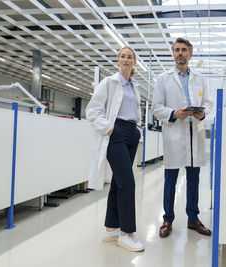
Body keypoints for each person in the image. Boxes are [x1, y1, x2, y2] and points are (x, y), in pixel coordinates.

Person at [152, 37, 214, 238]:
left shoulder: (200, 78)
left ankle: (193, 219)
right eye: (177, 50)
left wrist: (202, 113)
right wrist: (173, 113)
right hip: (175, 134)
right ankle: (168, 219)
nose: (180, 53)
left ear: (190, 54)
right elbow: (156, 107)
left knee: (193, 181)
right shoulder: (163, 78)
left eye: (184, 50)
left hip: (194, 133)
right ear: (173, 53)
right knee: (170, 180)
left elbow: (209, 102)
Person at [86, 46, 144, 252]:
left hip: (131, 132)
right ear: (118, 60)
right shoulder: (108, 83)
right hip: (116, 131)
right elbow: (92, 111)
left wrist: (137, 130)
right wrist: (110, 129)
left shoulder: (134, 87)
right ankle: (126, 233)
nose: (126, 59)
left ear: (135, 62)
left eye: (130, 57)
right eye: (123, 56)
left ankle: (111, 227)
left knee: (119, 183)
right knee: (128, 182)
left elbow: (135, 111)